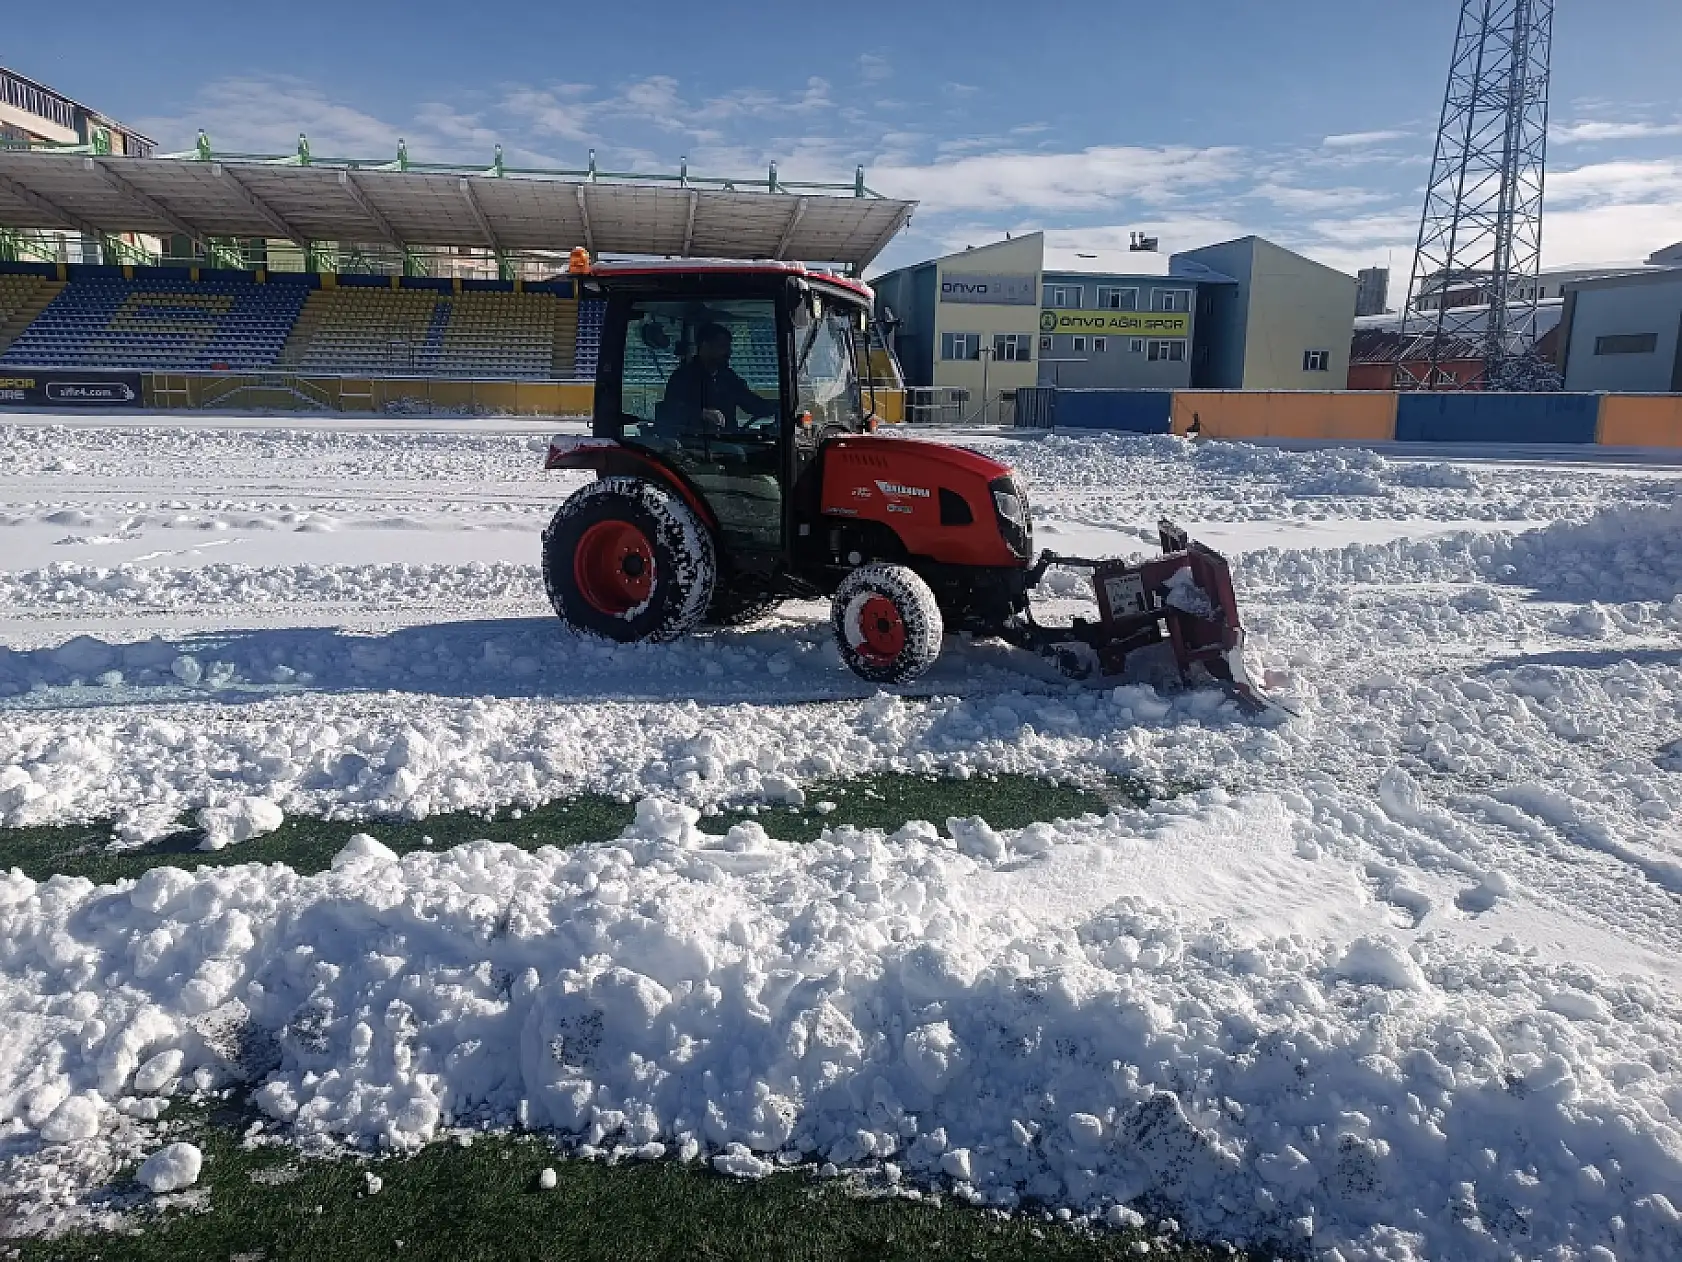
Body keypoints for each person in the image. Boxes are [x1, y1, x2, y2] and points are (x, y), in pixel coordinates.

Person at [661, 323, 777, 432]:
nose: (728, 352)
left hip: (729, 442)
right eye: (722, 347)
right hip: (694, 444)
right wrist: (702, 413)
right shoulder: (682, 377)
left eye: (728, 347)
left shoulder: (728, 377)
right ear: (705, 346)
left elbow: (750, 402)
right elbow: (671, 411)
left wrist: (776, 407)